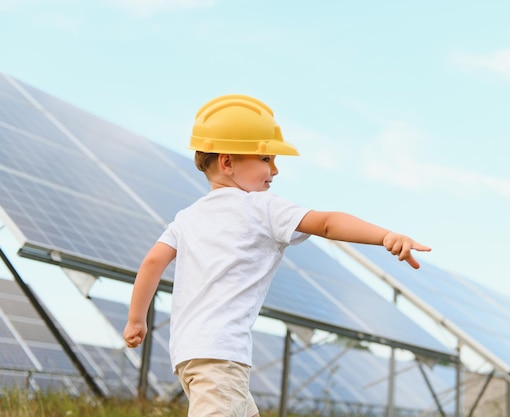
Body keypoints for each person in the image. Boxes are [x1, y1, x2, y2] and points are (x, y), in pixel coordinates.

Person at [123, 94, 431, 417]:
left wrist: (136, 319)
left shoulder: (186, 218)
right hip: (221, 353)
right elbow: (326, 224)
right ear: (227, 163)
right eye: (266, 159)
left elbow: (152, 262)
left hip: (189, 352)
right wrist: (385, 236)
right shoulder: (260, 207)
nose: (275, 169)